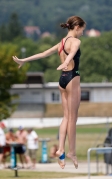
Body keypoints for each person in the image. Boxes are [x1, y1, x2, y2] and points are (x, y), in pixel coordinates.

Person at [12, 16, 86, 169]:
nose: (83, 33)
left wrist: (24, 60)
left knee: (66, 117)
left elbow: (43, 54)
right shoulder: (76, 41)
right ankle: (72, 152)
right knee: (73, 119)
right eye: (83, 30)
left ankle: (60, 149)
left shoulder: (61, 43)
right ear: (77, 27)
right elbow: (72, 53)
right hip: (72, 78)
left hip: (62, 80)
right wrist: (66, 62)